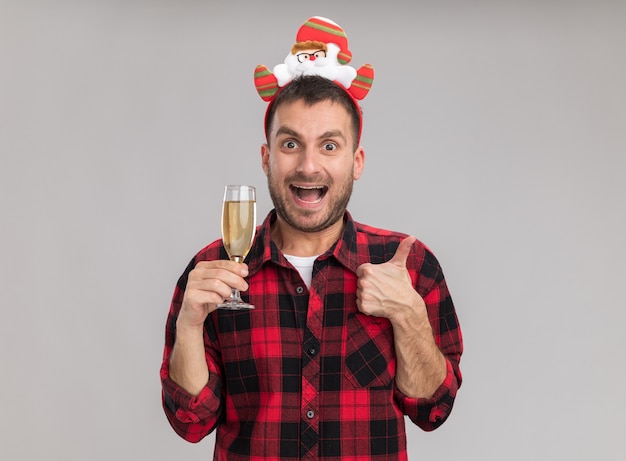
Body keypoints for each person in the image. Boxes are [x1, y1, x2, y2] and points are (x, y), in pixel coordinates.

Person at [160, 16, 463, 460]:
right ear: (266, 158)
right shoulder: (212, 271)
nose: (307, 166)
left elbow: (433, 410)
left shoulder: (407, 265)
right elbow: (191, 423)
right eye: (290, 145)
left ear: (357, 161)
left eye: (329, 145)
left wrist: (409, 315)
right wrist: (189, 325)